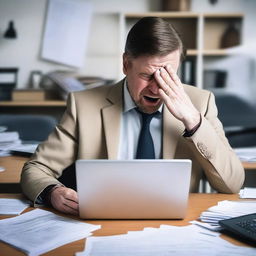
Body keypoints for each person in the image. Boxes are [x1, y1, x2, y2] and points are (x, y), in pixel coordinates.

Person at [21, 17, 244, 216]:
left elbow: (232, 183)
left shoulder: (200, 103)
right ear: (126, 64)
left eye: (168, 75)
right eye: (148, 75)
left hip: (176, 227)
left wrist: (194, 122)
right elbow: (36, 169)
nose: (157, 89)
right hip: (102, 224)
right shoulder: (84, 105)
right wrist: (53, 192)